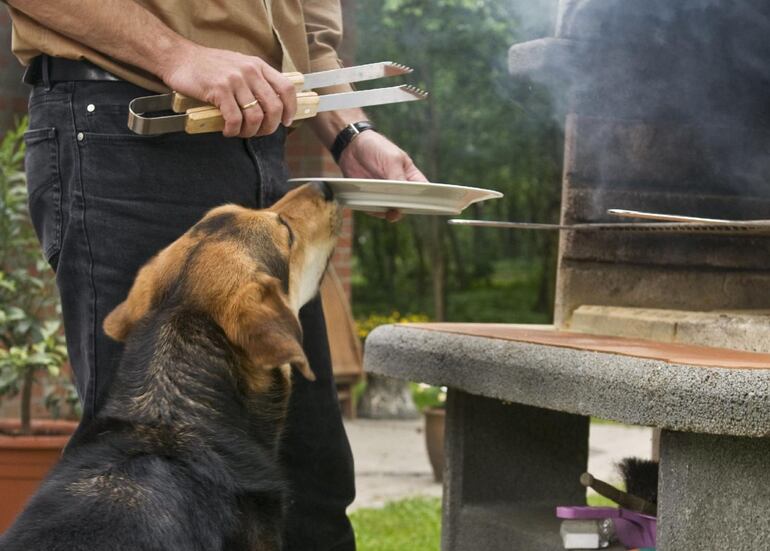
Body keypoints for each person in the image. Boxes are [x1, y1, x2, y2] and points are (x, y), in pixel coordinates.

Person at [4, 1, 426, 549]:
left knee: (311, 492)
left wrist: (350, 134)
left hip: (260, 145)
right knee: (137, 496)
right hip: (127, 130)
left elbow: (310, 39)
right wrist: (175, 53)